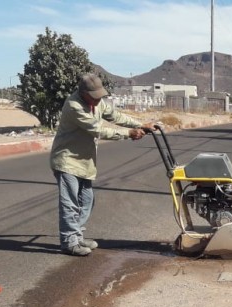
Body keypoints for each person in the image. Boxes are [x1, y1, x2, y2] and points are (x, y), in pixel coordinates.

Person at [50, 73, 154, 256]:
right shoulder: (74, 106)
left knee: (87, 200)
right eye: (94, 96)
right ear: (83, 93)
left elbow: (115, 116)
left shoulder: (97, 103)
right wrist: (128, 134)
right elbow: (97, 129)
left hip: (85, 161)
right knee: (70, 203)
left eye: (100, 96)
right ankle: (69, 241)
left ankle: (78, 235)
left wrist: (141, 125)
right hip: (67, 160)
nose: (98, 100)